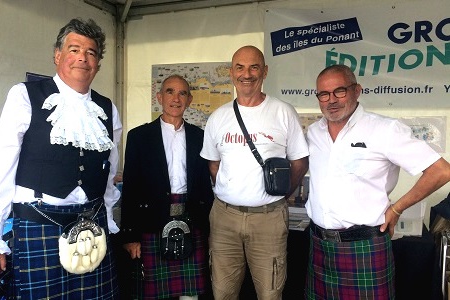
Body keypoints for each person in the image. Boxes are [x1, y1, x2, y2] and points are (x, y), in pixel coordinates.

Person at [0, 18, 122, 299]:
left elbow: (109, 170)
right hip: (40, 224)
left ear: (98, 64)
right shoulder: (24, 96)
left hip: (93, 226)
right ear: (57, 56)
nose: (82, 58)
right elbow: (0, 165)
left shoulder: (107, 108)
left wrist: (109, 216)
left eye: (91, 53)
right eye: (74, 49)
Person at [305, 64, 450, 299]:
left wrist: (396, 208)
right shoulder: (313, 132)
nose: (331, 100)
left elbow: (441, 171)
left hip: (364, 247)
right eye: (323, 94)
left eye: (339, 91)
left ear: (357, 90)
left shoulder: (384, 129)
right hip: (320, 246)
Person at [200, 45, 309, 299]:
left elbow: (300, 162)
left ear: (265, 72)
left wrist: (280, 196)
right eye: (240, 67)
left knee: (270, 293)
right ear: (231, 73)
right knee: (222, 292)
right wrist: (233, 192)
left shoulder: (283, 112)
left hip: (269, 219)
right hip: (224, 220)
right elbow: (213, 165)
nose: (246, 74)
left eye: (254, 67)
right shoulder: (218, 117)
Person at [119, 74, 214, 299]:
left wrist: (211, 231)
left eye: (182, 93)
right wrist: (130, 236)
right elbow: (131, 188)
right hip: (153, 219)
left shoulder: (200, 137)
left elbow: (205, 187)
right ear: (159, 97)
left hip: (192, 219)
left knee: (190, 294)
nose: (176, 98)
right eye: (170, 92)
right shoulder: (139, 137)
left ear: (190, 100)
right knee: (156, 293)